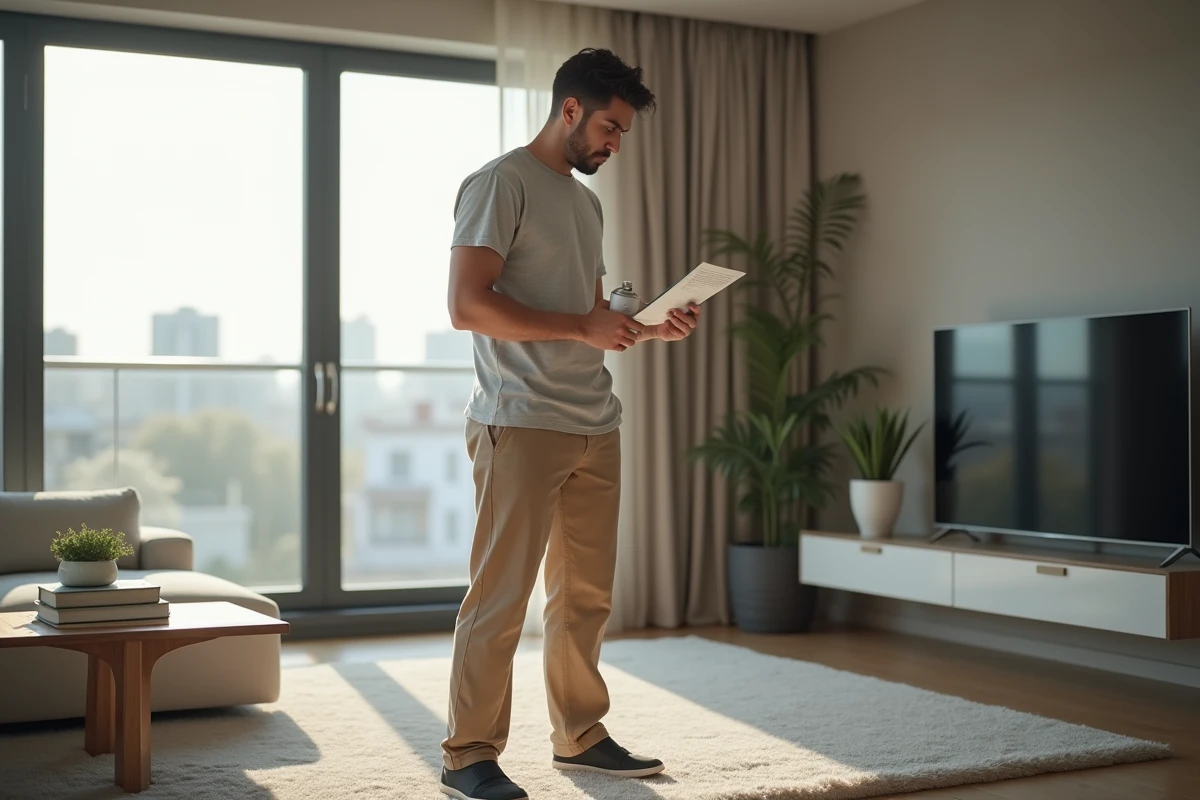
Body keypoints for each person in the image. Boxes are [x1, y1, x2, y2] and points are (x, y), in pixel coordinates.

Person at [438, 48, 701, 800]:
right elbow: (467, 305)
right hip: (520, 420)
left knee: (584, 596)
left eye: (623, 134)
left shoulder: (585, 203)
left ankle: (580, 734)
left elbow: (586, 314)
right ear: (571, 109)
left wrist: (647, 326)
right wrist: (585, 327)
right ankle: (467, 754)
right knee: (500, 598)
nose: (615, 145)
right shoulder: (500, 183)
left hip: (594, 419)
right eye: (610, 128)